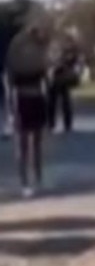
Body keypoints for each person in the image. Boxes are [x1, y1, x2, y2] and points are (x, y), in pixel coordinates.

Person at [5, 21, 51, 197]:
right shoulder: (15, 59)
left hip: (36, 99)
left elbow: (45, 79)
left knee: (37, 144)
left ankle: (38, 179)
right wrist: (11, 109)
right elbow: (10, 84)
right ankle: (24, 183)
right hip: (21, 100)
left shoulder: (38, 57)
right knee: (22, 145)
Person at [48, 37, 81, 133]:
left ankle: (66, 124)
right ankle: (52, 123)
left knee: (63, 101)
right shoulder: (54, 49)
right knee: (53, 102)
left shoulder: (71, 51)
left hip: (62, 78)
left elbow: (73, 61)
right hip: (55, 78)